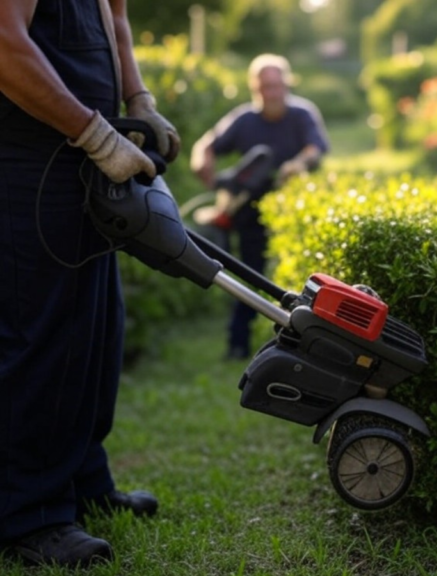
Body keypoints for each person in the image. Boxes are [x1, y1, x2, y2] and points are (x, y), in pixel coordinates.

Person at [0, 0, 179, 567]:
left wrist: (139, 101)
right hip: (30, 161)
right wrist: (97, 136)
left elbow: (114, 18)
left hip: (83, 156)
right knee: (42, 337)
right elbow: (4, 44)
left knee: (94, 330)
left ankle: (82, 480)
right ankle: (28, 514)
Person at [191, 53, 330, 360]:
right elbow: (208, 144)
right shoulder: (244, 119)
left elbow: (315, 148)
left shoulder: (302, 114)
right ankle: (238, 345)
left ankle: (309, 347)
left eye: (276, 85)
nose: (271, 93)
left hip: (295, 208)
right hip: (250, 211)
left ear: (287, 84)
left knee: (306, 280)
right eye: (264, 87)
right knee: (249, 277)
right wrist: (202, 159)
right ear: (255, 89)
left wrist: (297, 164)